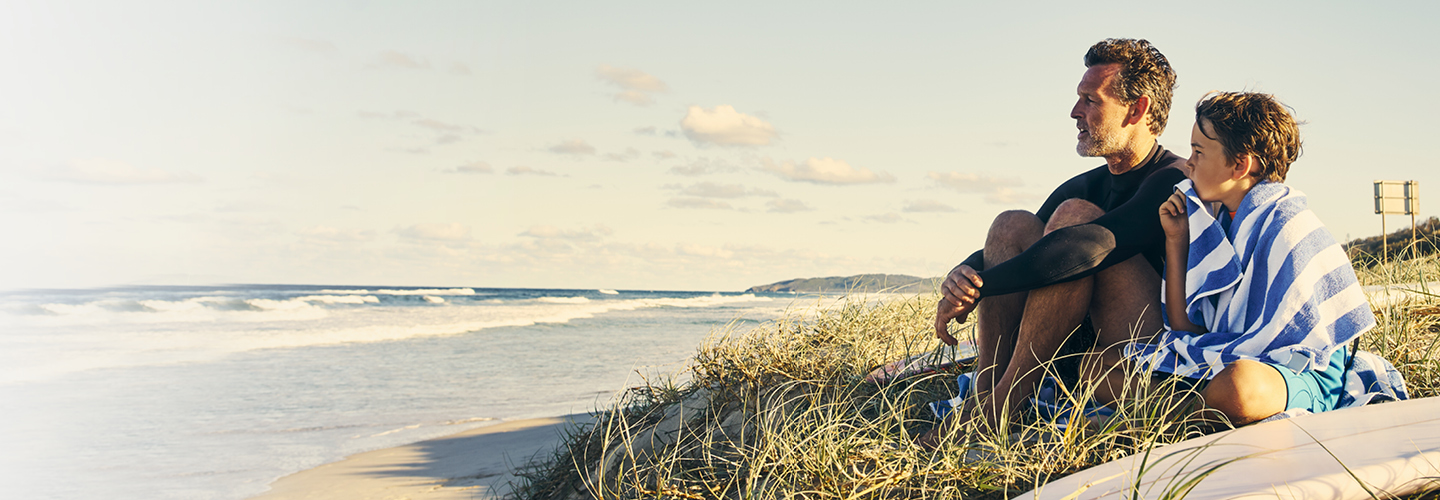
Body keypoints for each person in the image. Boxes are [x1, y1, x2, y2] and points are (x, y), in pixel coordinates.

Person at [930, 38, 1186, 434]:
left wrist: (982, 287)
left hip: (1140, 354)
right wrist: (963, 277)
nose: (1075, 112)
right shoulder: (1085, 185)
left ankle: (1001, 406)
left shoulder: (1173, 178)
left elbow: (1088, 246)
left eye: (1091, 100)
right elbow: (1010, 249)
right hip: (1076, 347)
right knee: (1011, 223)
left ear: (1137, 109)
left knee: (1075, 223)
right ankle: (984, 395)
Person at [1102, 91, 1383, 424]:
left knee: (1240, 387)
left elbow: (1298, 352)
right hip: (1221, 362)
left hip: (1298, 376)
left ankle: (1165, 414)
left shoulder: (1292, 227)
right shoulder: (1213, 224)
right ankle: (1188, 413)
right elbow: (1184, 328)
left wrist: (1237, 365)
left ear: (1240, 165)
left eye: (1198, 151)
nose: (1188, 163)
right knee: (1098, 367)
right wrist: (1176, 240)